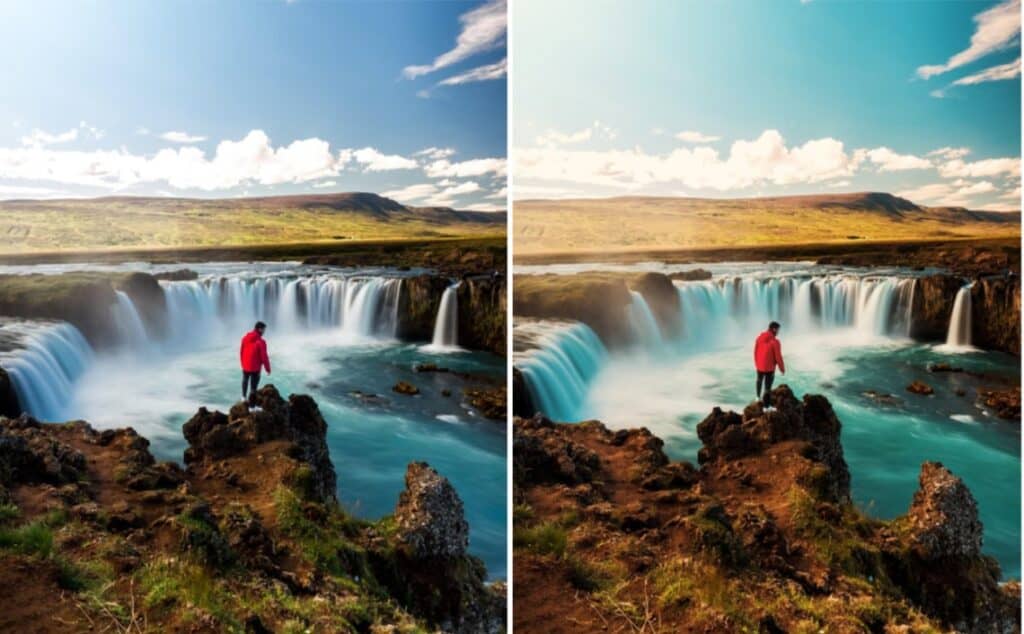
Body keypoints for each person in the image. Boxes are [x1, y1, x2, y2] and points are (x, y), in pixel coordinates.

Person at [753, 321, 785, 409]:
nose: (778, 332)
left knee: (759, 380)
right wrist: (782, 369)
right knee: (768, 387)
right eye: (778, 330)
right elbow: (778, 357)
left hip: (759, 365)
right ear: (774, 329)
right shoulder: (775, 342)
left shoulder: (759, 338)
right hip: (769, 367)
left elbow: (755, 351)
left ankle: (757, 398)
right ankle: (766, 407)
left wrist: (756, 362)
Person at [240, 321, 271, 402]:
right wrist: (268, 369)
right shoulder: (261, 342)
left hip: (245, 365)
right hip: (255, 367)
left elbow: (241, 351)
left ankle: (243, 398)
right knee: (253, 387)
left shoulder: (245, 338)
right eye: (264, 330)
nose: (264, 332)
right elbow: (264, 357)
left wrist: (242, 363)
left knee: (245, 380)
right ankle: (252, 407)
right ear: (260, 329)